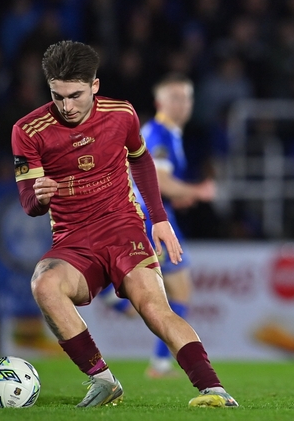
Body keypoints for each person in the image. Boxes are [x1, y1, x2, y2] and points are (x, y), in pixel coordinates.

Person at [11, 40, 237, 408]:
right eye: (58, 96)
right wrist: (39, 195)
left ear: (95, 86)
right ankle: (102, 380)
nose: (67, 106)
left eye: (75, 95)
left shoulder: (122, 114)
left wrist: (160, 220)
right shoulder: (28, 130)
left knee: (155, 307)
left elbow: (142, 162)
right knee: (44, 284)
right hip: (73, 238)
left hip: (123, 228)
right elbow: (28, 203)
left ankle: (214, 390)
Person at [99, 73, 215, 379]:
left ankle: (115, 294)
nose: (182, 103)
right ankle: (111, 291)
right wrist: (196, 191)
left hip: (155, 212)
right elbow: (160, 180)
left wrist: (178, 197)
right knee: (178, 293)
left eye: (186, 97)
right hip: (150, 218)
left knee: (174, 293)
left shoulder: (169, 134)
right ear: (159, 101)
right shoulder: (160, 133)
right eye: (174, 97)